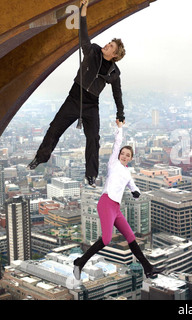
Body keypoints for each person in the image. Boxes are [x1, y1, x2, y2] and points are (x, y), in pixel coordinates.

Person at [27, 0, 126, 187]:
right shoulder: (93, 50)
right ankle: (40, 158)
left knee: (93, 139)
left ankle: (91, 175)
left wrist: (120, 114)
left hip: (91, 105)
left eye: (111, 46)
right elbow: (83, 37)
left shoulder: (114, 73)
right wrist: (83, 11)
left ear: (115, 55)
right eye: (109, 43)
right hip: (74, 98)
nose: (107, 45)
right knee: (54, 128)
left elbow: (117, 94)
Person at [73, 120, 164, 280]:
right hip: (106, 202)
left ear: (130, 158)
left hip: (116, 208)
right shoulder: (113, 163)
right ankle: (80, 263)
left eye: (128, 155)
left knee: (131, 237)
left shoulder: (128, 173)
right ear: (119, 155)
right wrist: (119, 128)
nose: (124, 156)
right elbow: (117, 143)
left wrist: (136, 192)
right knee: (106, 239)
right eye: (123, 153)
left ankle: (148, 268)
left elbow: (133, 186)